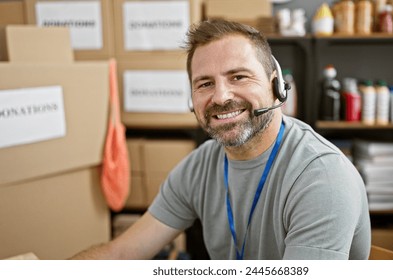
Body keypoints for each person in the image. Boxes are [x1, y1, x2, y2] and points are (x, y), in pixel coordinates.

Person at [71, 19, 371, 260]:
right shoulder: (201, 165)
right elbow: (123, 252)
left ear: (276, 86)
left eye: (238, 77)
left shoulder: (321, 177)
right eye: (204, 83)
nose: (220, 97)